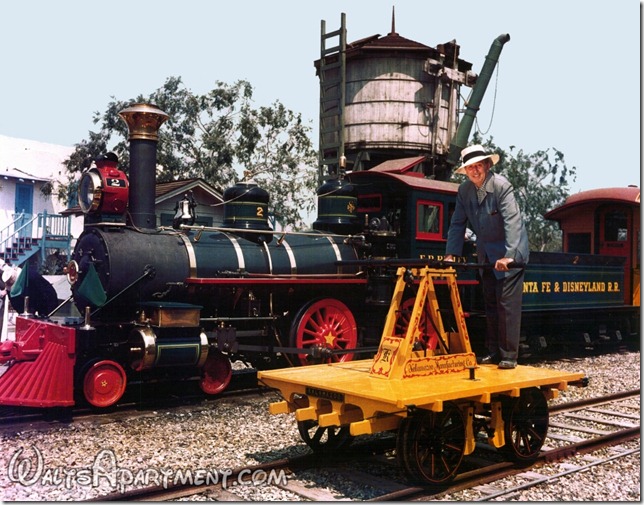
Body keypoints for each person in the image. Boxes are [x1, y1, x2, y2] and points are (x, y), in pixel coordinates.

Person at [444, 144, 529, 369]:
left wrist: (509, 255)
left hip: (510, 251)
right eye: (469, 167)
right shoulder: (464, 191)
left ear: (488, 165)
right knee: (490, 303)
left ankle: (509, 355)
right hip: (487, 254)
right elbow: (457, 223)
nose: (474, 171)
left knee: (506, 305)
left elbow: (513, 221)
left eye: (478, 166)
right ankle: (493, 352)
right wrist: (451, 253)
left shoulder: (502, 186)